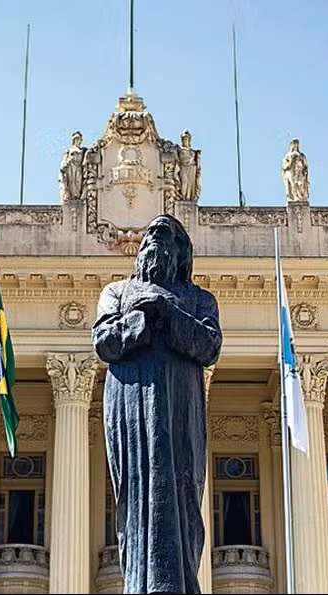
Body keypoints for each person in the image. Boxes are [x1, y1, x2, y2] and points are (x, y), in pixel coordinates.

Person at [92, 214, 222, 594]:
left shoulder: (199, 299)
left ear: (181, 254)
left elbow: (209, 346)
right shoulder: (116, 293)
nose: (154, 244)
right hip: (132, 410)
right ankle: (140, 584)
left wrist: (171, 313)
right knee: (136, 497)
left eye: (165, 239)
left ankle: (178, 584)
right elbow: (104, 341)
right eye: (151, 237)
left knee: (181, 495)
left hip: (181, 413)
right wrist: (141, 318)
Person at [281, 138, 309, 202]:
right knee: (293, 184)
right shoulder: (288, 155)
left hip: (299, 172)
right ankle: (294, 198)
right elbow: (284, 166)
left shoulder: (301, 155)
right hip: (290, 172)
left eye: (297, 144)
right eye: (294, 144)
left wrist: (304, 171)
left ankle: (300, 197)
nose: (295, 145)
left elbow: (305, 165)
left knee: (300, 184)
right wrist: (290, 163)